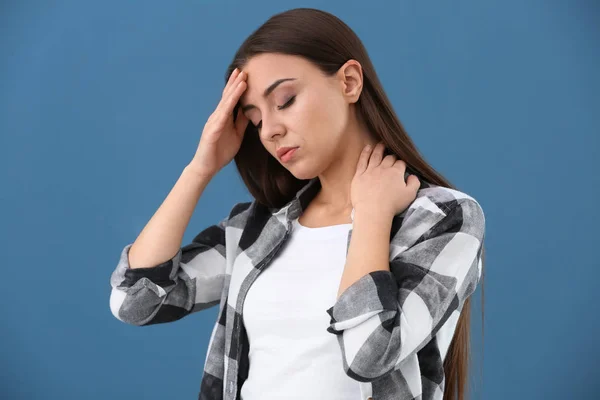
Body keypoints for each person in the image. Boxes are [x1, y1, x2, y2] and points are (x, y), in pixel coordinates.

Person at [109, 7, 486, 400]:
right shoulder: (258, 230)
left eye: (285, 100)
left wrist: (372, 214)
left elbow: (367, 355)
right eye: (255, 120)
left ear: (350, 82)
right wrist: (200, 168)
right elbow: (134, 301)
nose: (270, 130)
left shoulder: (442, 218)